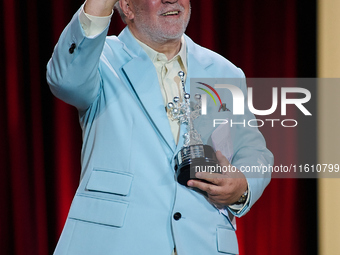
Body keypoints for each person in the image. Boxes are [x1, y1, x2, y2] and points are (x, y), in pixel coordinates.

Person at [47, 0, 273, 254]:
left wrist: (242, 185)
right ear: (128, 7)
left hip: (204, 244)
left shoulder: (224, 72)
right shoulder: (99, 60)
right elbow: (64, 80)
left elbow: (255, 152)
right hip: (115, 244)